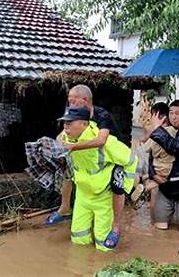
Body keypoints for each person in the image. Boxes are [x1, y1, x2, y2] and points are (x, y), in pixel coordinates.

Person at [46, 84, 128, 248]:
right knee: (67, 172)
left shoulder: (101, 115)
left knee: (118, 187)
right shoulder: (73, 115)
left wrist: (72, 147)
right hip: (84, 158)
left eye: (73, 101)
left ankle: (116, 227)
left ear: (85, 100)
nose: (70, 104)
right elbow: (61, 136)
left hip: (112, 158)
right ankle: (64, 208)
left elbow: (101, 141)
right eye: (69, 101)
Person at [58, 106, 137, 251]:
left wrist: (122, 186)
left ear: (84, 124)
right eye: (64, 123)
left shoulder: (105, 142)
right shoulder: (65, 138)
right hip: (82, 194)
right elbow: (58, 143)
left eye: (69, 123)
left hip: (102, 196)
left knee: (103, 247)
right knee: (78, 239)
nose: (65, 128)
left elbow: (131, 159)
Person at [143, 99, 179, 232]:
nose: (173, 117)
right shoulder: (166, 131)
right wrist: (153, 175)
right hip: (166, 188)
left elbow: (175, 147)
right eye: (171, 113)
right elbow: (152, 156)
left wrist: (157, 129)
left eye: (177, 113)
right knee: (159, 228)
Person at [133, 102, 176, 212]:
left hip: (159, 171)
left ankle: (145, 187)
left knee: (154, 204)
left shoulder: (159, 134)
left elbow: (143, 149)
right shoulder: (175, 131)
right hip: (170, 170)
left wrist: (141, 140)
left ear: (159, 116)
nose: (150, 119)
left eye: (152, 115)